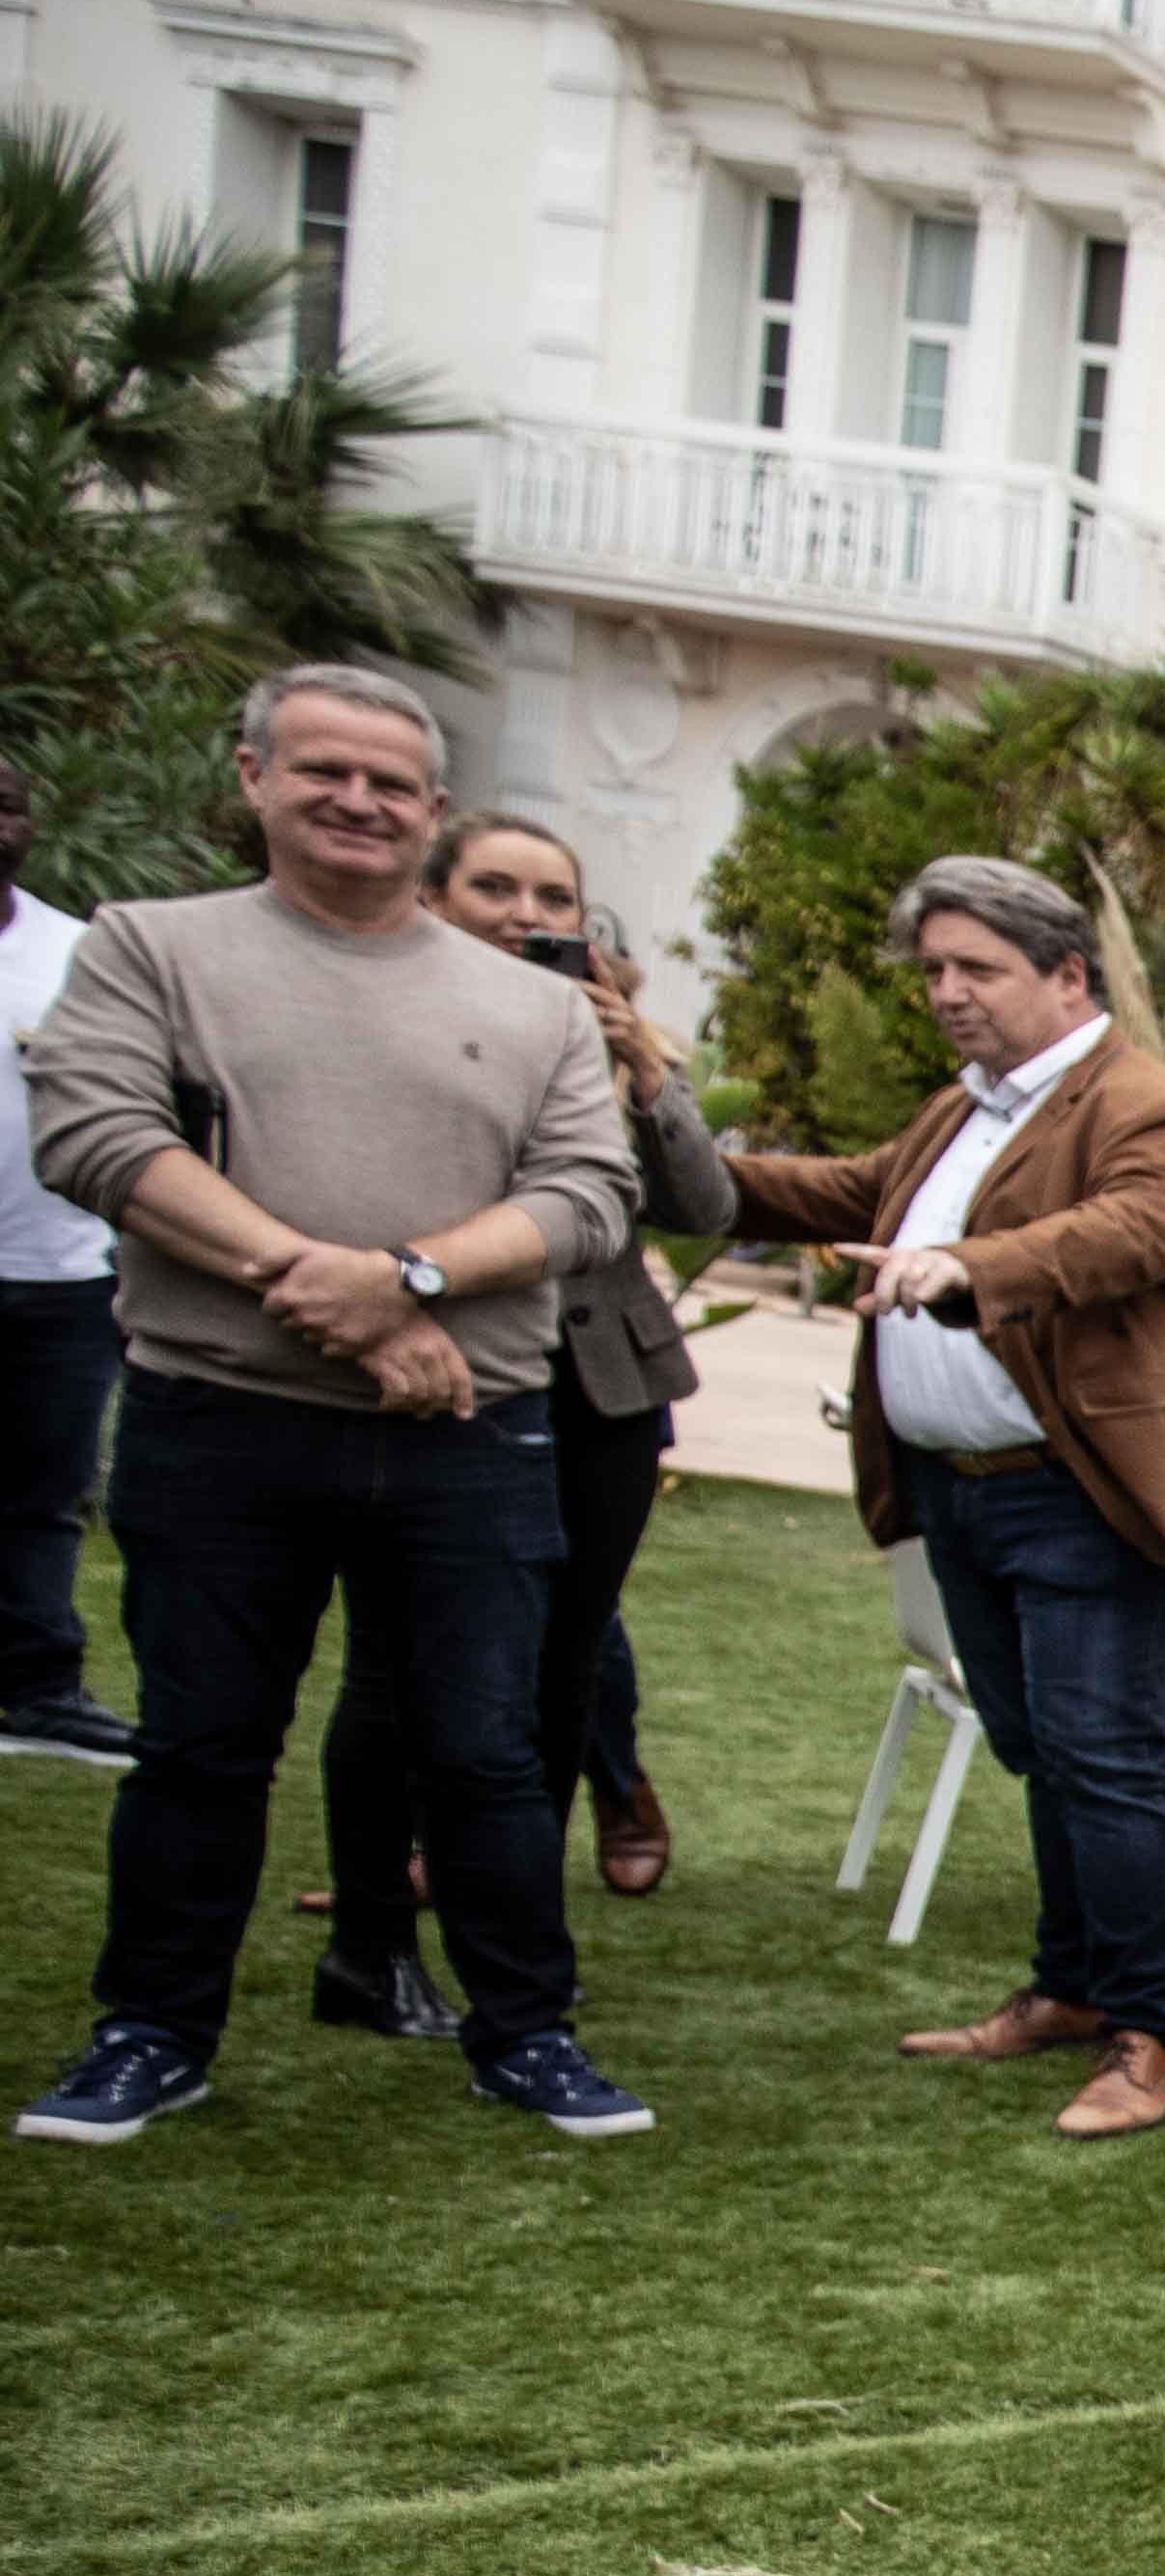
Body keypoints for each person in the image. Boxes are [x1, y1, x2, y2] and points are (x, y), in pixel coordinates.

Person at [16, 666, 653, 2150]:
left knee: (489, 1752)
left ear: (430, 811)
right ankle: (153, 2030)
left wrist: (411, 1279)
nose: (356, 802)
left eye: (389, 783)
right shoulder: (151, 950)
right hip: (219, 1417)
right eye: (322, 772)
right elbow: (93, 1135)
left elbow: (590, 1196)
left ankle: (527, 2034)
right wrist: (324, 1284)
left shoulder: (529, 1003)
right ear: (251, 777)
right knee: (202, 1745)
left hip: (466, 1439)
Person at [720, 852, 1165, 2141]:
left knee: (1103, 1756)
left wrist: (961, 1267)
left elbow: (1127, 1231)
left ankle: (1145, 2032)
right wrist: (681, 1159)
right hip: (966, 1497)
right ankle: (1072, 1991)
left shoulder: (1152, 1109)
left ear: (1067, 974)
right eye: (933, 972)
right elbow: (855, 1196)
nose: (947, 992)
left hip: (1094, 1496)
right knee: (1041, 1753)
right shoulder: (965, 1109)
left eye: (978, 969)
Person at [304, 813, 736, 2020]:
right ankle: (374, 1942)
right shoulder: (378, 1015)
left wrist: (644, 1073)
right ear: (436, 896)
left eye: (554, 896)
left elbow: (704, 1202)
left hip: (599, 1393)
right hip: (428, 1375)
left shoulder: (611, 1039)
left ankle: (515, 1934)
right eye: (495, 886)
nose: (526, 915)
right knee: (393, 1669)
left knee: (560, 1666)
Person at [0, 754, 128, 1769]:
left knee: (44, 1495)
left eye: (8, 800)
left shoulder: (78, 951)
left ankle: (36, 1690)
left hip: (62, 1271)